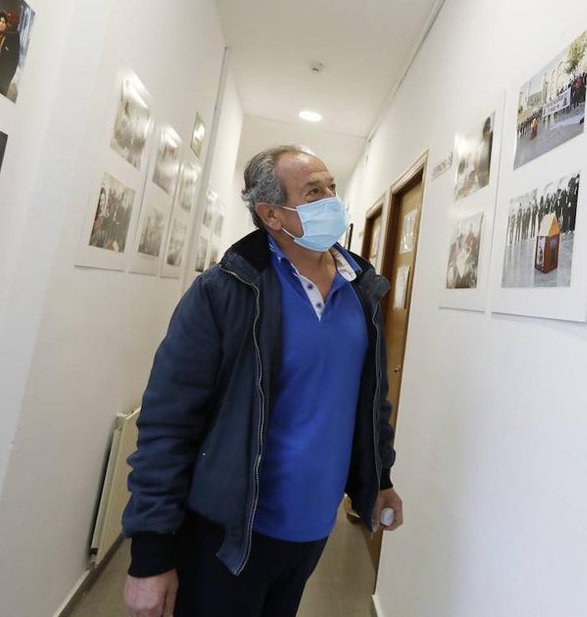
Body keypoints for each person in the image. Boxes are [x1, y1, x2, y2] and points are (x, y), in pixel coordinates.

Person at [123, 146, 402, 617]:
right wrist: (150, 555)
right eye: (314, 192)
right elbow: (168, 424)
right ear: (271, 214)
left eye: (332, 187)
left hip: (313, 531)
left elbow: (370, 402)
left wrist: (380, 479)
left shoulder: (362, 290)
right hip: (229, 536)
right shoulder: (226, 292)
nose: (333, 200)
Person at [0, 11, 21, 97]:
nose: (7, 24)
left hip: (3, 78)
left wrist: (6, 79)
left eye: (9, 22)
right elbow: (1, 50)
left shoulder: (14, 38)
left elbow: (11, 60)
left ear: (14, 24)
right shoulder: (7, 34)